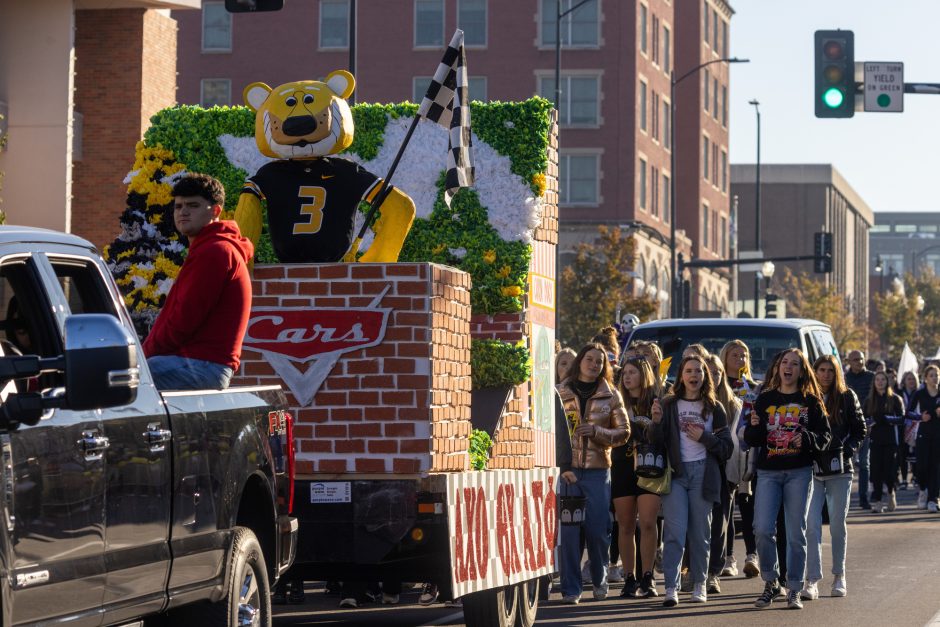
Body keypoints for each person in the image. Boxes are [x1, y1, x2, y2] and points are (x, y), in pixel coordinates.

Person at [143, 173, 254, 390]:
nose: (183, 211)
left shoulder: (215, 251)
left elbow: (184, 320)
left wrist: (143, 354)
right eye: (178, 206)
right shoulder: (209, 248)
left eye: (193, 205)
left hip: (201, 365)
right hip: (196, 364)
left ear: (216, 210)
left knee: (115, 379)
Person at [744, 348, 831, 610]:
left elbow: (825, 438)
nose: (789, 367)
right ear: (778, 367)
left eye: (794, 364)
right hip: (768, 472)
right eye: (784, 362)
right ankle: (771, 582)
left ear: (802, 370)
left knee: (795, 533)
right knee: (762, 529)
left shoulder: (811, 402)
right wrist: (755, 425)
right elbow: (751, 439)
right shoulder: (765, 397)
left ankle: (794, 587)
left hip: (799, 472)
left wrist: (806, 439)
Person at [650, 354, 733, 608]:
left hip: (703, 475)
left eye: (698, 371)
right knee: (674, 533)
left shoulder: (714, 407)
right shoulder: (669, 404)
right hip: (676, 474)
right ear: (681, 375)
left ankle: (699, 583)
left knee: (700, 533)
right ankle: (671, 588)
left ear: (705, 376)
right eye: (689, 371)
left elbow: (727, 448)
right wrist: (654, 422)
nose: (694, 375)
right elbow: (655, 441)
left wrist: (704, 437)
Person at [556, 343, 630, 604]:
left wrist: (597, 432)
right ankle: (571, 589)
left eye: (600, 361)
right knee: (570, 533)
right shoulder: (561, 392)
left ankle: (599, 580)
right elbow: (553, 432)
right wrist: (564, 467)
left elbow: (624, 433)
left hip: (599, 472)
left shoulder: (611, 395)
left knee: (598, 532)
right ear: (580, 361)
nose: (594, 364)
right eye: (590, 359)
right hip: (569, 473)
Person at [803, 355, 866, 601]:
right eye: (821, 369)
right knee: (810, 525)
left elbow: (860, 429)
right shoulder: (806, 395)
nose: (826, 374)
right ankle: (812, 579)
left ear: (836, 372)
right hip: (811, 468)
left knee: (838, 524)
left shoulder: (847, 396)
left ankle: (839, 575)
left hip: (840, 470)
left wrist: (847, 450)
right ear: (815, 371)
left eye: (831, 370)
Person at [613, 356, 662, 598]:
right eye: (625, 373)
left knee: (648, 523)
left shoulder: (657, 400)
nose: (627, 376)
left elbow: (665, 436)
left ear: (644, 375)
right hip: (621, 466)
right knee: (626, 525)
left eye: (632, 372)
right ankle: (629, 577)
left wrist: (657, 421)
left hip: (650, 467)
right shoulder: (616, 401)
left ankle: (648, 576)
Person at [719, 340, 759, 578]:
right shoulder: (717, 387)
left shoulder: (753, 388)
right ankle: (728, 557)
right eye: (735, 355)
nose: (740, 359)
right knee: (727, 505)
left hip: (746, 452)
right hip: (725, 452)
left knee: (747, 502)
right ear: (725, 357)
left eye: (744, 355)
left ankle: (752, 554)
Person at [704, 354, 743, 595]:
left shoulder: (733, 404)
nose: (714, 376)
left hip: (725, 470)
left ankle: (713, 573)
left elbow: (735, 443)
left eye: (717, 372)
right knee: (696, 525)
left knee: (719, 524)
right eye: (709, 371)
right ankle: (692, 568)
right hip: (697, 468)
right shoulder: (691, 401)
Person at [865, 371, 904, 513]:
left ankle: (891, 494)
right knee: (875, 471)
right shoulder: (869, 400)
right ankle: (878, 501)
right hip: (875, 441)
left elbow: (901, 418)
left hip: (891, 441)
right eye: (877, 380)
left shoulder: (895, 399)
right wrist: (872, 421)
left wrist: (887, 419)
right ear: (874, 382)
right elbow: (864, 420)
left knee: (889, 471)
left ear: (887, 382)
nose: (880, 382)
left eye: (883, 379)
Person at [844, 350, 875, 510]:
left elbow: (876, 400)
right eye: (855, 359)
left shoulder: (872, 377)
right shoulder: (844, 378)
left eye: (861, 359)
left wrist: (870, 421)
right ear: (848, 361)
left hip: (866, 426)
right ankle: (845, 500)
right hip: (847, 428)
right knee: (846, 464)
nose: (859, 362)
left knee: (864, 463)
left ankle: (863, 497)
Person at [911, 365, 940, 512]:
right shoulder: (920, 394)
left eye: (937, 375)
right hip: (923, 434)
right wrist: (920, 417)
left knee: (936, 467)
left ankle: (933, 499)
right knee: (922, 467)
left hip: (938, 435)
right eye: (932, 375)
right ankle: (923, 490)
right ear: (926, 378)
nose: (935, 378)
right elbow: (908, 413)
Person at [898, 370, 921, 490]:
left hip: (917, 425)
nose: (911, 381)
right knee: (903, 453)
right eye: (908, 379)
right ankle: (904, 479)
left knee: (916, 454)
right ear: (904, 381)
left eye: (913, 379)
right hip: (903, 426)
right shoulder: (899, 393)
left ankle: (916, 477)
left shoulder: (920, 393)